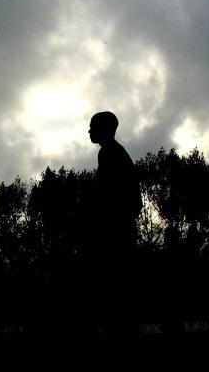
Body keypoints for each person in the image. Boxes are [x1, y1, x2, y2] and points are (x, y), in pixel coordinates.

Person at [88, 110, 141, 338]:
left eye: (93, 126)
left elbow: (120, 199)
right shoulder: (111, 153)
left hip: (116, 233)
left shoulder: (111, 153)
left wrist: (107, 225)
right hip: (117, 230)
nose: (89, 130)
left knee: (115, 291)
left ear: (106, 129)